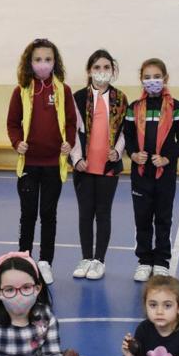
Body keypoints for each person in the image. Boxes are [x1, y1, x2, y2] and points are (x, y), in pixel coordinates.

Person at [6, 39, 76, 285]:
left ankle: (45, 262)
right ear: (30, 62)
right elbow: (13, 123)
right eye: (38, 60)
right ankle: (24, 260)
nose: (43, 64)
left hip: (52, 166)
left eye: (48, 59)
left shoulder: (62, 91)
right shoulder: (21, 90)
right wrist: (17, 143)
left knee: (48, 214)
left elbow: (70, 122)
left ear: (55, 62)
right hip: (29, 165)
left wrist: (69, 141)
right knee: (27, 214)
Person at [123, 58, 179, 281]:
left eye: (156, 77)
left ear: (165, 78)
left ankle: (161, 260)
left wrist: (167, 159)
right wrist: (133, 154)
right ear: (141, 80)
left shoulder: (176, 106)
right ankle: (144, 260)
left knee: (163, 218)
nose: (152, 81)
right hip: (141, 175)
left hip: (164, 175)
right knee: (142, 218)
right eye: (147, 77)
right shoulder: (135, 108)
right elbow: (129, 137)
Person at [69, 49, 127, 281]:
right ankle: (85, 257)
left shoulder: (120, 99)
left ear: (112, 71)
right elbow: (71, 130)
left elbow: (125, 130)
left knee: (103, 213)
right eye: (97, 68)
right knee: (85, 213)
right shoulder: (78, 97)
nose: (101, 72)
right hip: (84, 166)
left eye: (106, 68)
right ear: (89, 71)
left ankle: (99, 260)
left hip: (108, 167)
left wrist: (118, 151)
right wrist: (76, 158)